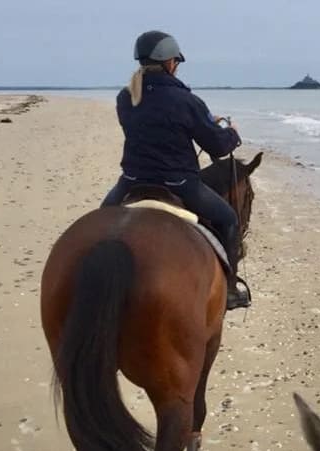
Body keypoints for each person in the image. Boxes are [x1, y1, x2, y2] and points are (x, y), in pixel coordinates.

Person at [101, 31, 250, 310]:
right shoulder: (186, 101)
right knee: (228, 220)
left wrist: (204, 119)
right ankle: (229, 291)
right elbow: (217, 147)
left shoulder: (126, 97)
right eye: (176, 63)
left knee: (100, 221)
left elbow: (152, 123)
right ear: (170, 62)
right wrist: (231, 132)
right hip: (179, 183)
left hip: (132, 181)